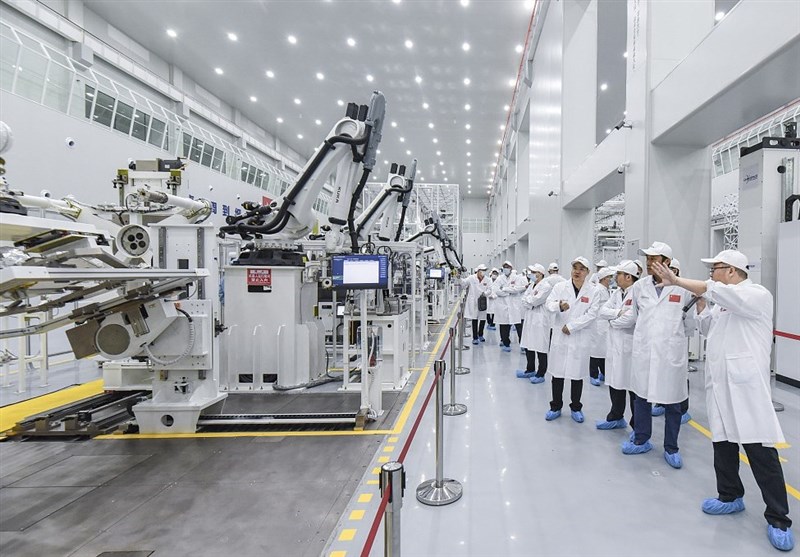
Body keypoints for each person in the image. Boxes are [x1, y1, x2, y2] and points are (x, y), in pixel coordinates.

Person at [651, 250, 794, 552]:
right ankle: (730, 495)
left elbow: (715, 290)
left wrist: (679, 281)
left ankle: (778, 518)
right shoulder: (722, 303)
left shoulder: (756, 295)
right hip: (720, 387)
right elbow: (708, 329)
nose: (711, 274)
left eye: (714, 268)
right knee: (723, 444)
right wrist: (703, 306)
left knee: (760, 451)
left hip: (746, 388)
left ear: (731, 271)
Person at [621, 241, 696, 470]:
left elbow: (689, 324)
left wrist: (671, 340)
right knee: (641, 398)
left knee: (673, 402)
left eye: (654, 259)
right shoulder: (639, 287)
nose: (649, 263)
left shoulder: (682, 288)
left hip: (670, 353)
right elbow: (635, 316)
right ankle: (641, 439)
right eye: (648, 259)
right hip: (645, 351)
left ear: (667, 262)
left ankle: (671, 447)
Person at [543, 257, 600, 423]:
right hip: (560, 337)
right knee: (557, 374)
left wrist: (572, 326)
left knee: (577, 375)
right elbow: (548, 304)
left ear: (587, 272)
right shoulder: (560, 287)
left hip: (579, 337)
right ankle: (555, 406)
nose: (577, 271)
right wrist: (558, 306)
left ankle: (576, 407)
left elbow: (592, 314)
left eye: (582, 269)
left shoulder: (593, 291)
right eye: (575, 267)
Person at [595, 260, 640, 430]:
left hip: (630, 346)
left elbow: (631, 318)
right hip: (615, 345)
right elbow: (602, 311)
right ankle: (616, 417)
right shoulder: (616, 293)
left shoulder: (637, 293)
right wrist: (618, 313)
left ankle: (637, 426)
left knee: (633, 388)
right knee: (615, 382)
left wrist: (612, 322)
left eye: (618, 274)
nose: (615, 277)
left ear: (628, 277)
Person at [652, 257, 692, 423]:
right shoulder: (654, 288)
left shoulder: (684, 290)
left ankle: (683, 409)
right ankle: (661, 403)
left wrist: (680, 336)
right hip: (658, 342)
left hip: (676, 341)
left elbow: (690, 320)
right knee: (660, 374)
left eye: (672, 270)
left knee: (679, 377)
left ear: (676, 271)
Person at [517, 264, 552, 381]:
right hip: (530, 317)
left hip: (540, 320)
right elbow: (524, 299)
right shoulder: (532, 285)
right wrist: (530, 303)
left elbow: (536, 301)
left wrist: (530, 302)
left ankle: (541, 374)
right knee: (528, 345)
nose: (531, 274)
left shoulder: (546, 286)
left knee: (540, 347)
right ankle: (530, 369)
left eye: (533, 272)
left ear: (540, 274)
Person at [491, 261, 526, 352]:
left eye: (508, 267)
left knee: (519, 326)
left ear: (511, 268)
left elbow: (518, 289)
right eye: (504, 267)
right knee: (504, 326)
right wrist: (508, 293)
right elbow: (496, 290)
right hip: (503, 305)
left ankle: (522, 344)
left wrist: (505, 289)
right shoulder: (499, 278)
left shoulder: (516, 278)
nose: (506, 269)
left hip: (514, 305)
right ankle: (506, 343)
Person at [589, 267, 615, 386]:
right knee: (595, 351)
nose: (612, 279)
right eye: (610, 277)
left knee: (603, 351)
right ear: (604, 278)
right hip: (597, 324)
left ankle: (604, 373)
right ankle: (593, 375)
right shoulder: (597, 290)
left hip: (605, 324)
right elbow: (593, 308)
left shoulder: (606, 289)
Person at [461, 264, 491, 345]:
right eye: (482, 270)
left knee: (483, 318)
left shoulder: (488, 280)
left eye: (484, 270)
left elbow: (490, 289)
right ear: (478, 271)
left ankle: (480, 334)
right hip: (473, 301)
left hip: (483, 301)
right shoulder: (471, 278)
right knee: (474, 319)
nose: (483, 272)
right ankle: (475, 337)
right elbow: (463, 283)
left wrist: (485, 293)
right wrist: (458, 277)